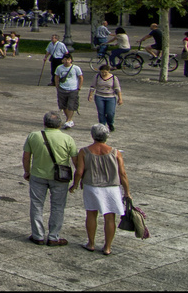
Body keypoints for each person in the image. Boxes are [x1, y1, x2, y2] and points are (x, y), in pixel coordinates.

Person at [74, 124, 129, 255]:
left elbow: (79, 171)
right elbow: (123, 173)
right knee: (110, 217)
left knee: (91, 215)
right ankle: (107, 247)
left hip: (91, 186)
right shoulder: (115, 152)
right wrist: (127, 191)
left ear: (92, 135)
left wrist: (75, 185)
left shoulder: (84, 151)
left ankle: (91, 243)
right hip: (111, 188)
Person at [22, 112, 77, 245]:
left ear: (44, 123)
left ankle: (38, 235)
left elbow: (26, 157)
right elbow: (76, 160)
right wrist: (77, 181)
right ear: (59, 124)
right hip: (60, 177)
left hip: (38, 175)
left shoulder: (33, 136)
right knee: (58, 207)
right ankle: (53, 237)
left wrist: (27, 172)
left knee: (37, 205)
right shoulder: (67, 139)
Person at [87, 64, 122, 131]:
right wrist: (90, 95)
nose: (103, 74)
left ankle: (110, 123)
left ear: (108, 71)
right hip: (99, 96)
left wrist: (120, 98)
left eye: (105, 72)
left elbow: (117, 88)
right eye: (102, 72)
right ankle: (102, 125)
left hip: (110, 96)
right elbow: (93, 86)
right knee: (101, 112)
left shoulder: (114, 77)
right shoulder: (97, 76)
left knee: (110, 112)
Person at [54, 53, 83, 128]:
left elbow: (80, 77)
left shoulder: (76, 68)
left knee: (71, 105)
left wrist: (79, 87)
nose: (67, 61)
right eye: (65, 59)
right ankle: (69, 120)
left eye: (69, 60)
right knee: (63, 105)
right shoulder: (59, 68)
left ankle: (68, 120)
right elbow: (56, 76)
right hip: (62, 88)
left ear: (71, 60)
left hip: (73, 89)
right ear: (62, 60)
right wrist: (57, 85)